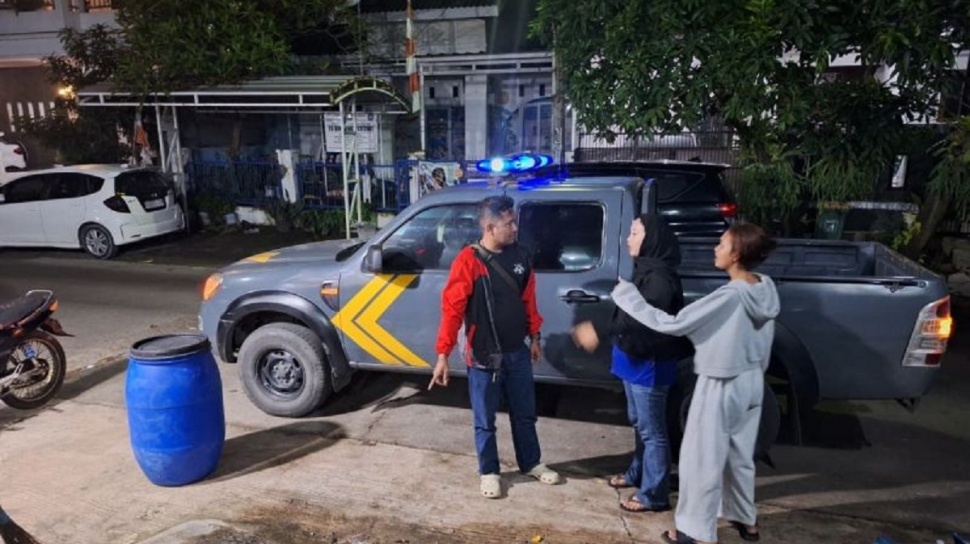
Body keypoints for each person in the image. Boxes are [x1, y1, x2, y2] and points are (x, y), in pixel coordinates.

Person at [610, 222, 780, 544]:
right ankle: (746, 519)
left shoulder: (730, 296)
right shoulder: (764, 287)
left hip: (721, 383)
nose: (716, 248)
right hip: (752, 383)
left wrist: (628, 296)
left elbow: (674, 324)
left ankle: (694, 531)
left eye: (722, 244)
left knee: (701, 459)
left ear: (736, 254)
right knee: (739, 457)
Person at [429, 195, 561, 499]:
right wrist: (442, 355)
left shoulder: (521, 256)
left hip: (517, 351)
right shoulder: (468, 261)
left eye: (514, 222)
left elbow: (529, 301)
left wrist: (535, 337)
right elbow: (451, 310)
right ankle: (489, 471)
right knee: (484, 421)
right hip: (483, 356)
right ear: (489, 228)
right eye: (509, 223)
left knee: (525, 413)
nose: (515, 228)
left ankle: (531, 462)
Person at [573, 213, 692, 513]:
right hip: (633, 360)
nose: (629, 239)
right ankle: (637, 474)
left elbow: (641, 322)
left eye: (635, 233)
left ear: (652, 239)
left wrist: (599, 332)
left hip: (650, 363)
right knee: (639, 423)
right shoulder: (646, 271)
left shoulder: (660, 280)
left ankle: (654, 494)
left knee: (653, 432)